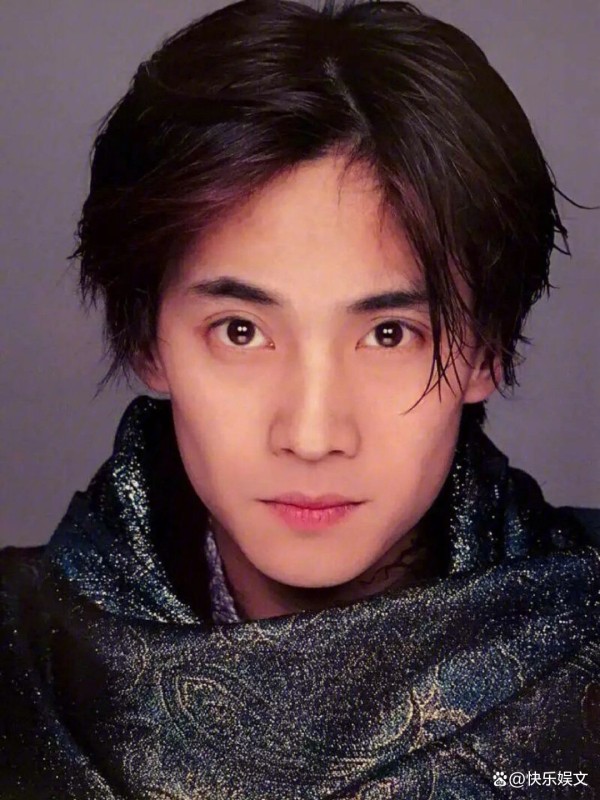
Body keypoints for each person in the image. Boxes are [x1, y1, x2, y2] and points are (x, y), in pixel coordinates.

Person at [1, 0, 598, 797]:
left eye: (389, 334)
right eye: (241, 331)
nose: (312, 435)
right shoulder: (22, 658)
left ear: (487, 348)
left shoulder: (584, 629)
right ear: (148, 338)